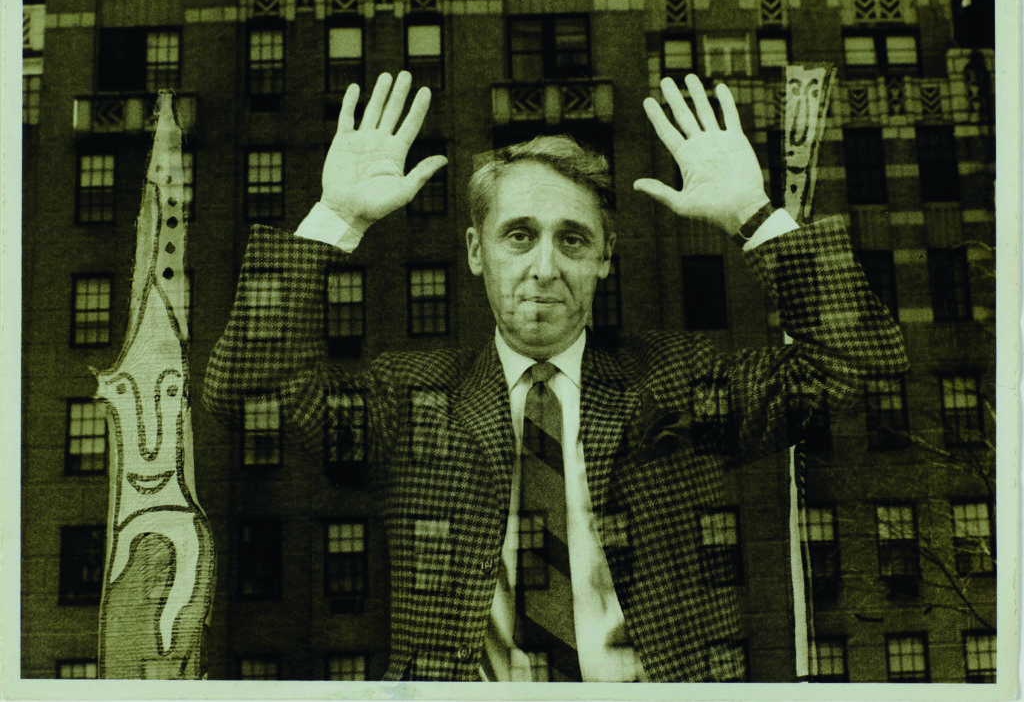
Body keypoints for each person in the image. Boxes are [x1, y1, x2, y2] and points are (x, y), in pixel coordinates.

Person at [205, 71, 907, 682]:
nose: (544, 267)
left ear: (605, 257)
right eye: (519, 235)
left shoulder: (673, 384)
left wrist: (754, 216)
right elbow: (242, 391)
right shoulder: (411, 397)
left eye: (572, 239)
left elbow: (857, 365)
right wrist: (334, 219)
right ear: (476, 251)